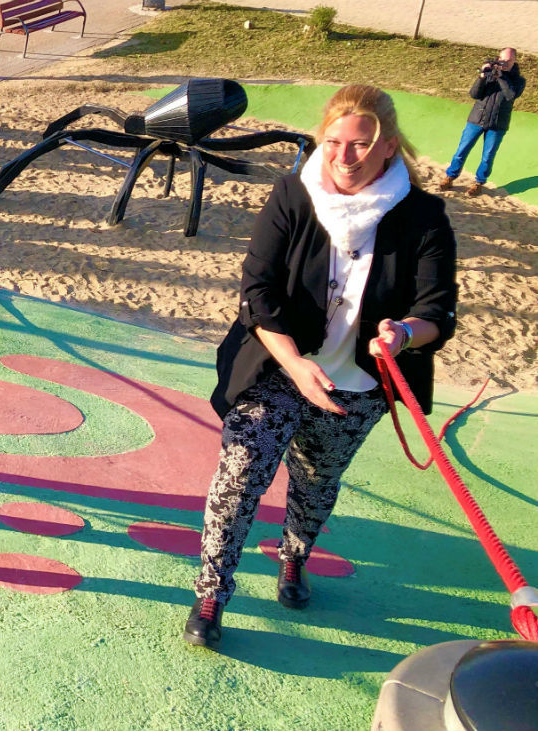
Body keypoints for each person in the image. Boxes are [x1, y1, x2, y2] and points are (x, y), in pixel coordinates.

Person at [183, 85, 458, 651]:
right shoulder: (292, 193)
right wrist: (296, 364)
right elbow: (256, 291)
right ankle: (211, 592)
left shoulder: (423, 214)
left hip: (355, 384)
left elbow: (438, 310)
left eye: (360, 144)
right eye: (333, 141)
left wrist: (404, 333)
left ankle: (293, 557)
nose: (343, 155)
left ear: (387, 148)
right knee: (238, 477)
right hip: (277, 367)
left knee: (316, 481)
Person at [439, 47, 525, 197]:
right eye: (502, 60)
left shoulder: (519, 80)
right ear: (498, 58)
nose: (504, 63)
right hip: (476, 119)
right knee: (462, 150)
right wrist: (482, 77)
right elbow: (474, 94)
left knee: (488, 156)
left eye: (508, 60)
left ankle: (479, 183)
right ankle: (450, 176)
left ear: (514, 61)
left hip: (498, 125)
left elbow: (510, 95)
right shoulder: (490, 73)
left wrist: (501, 76)